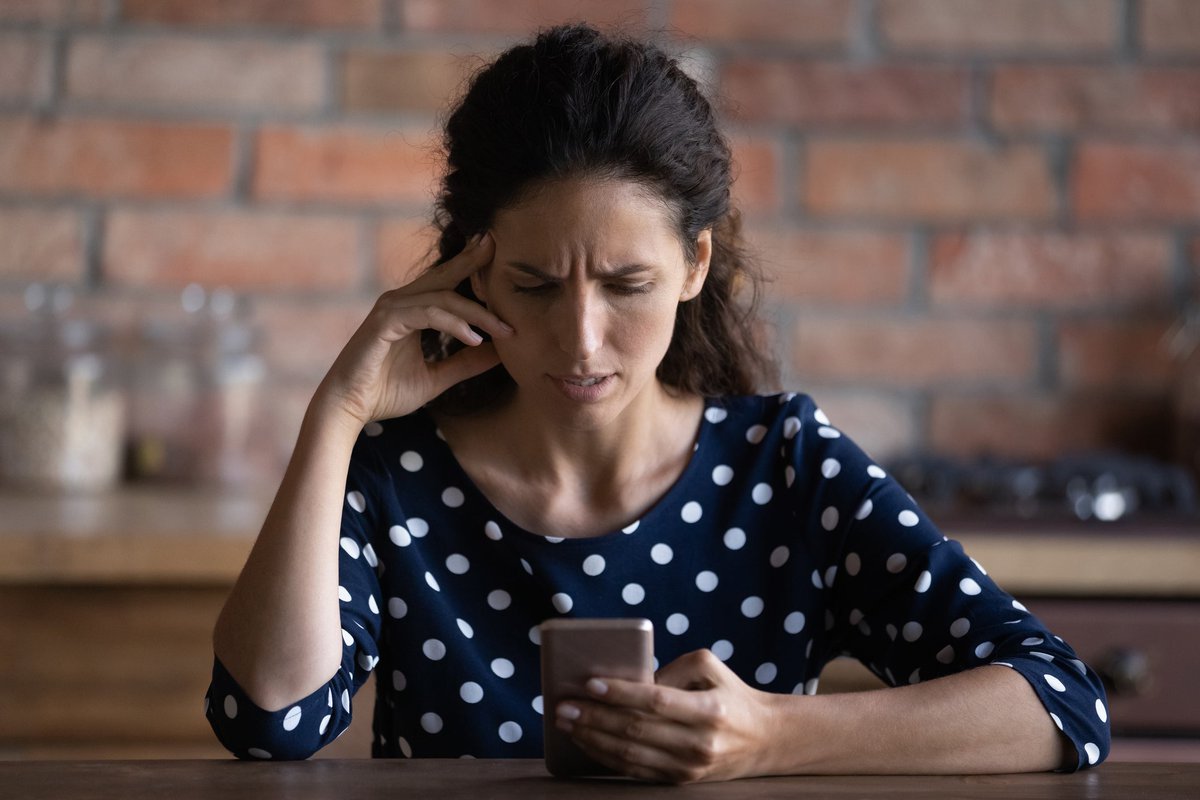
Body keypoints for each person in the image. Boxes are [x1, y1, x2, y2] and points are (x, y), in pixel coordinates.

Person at [206, 23, 1110, 782]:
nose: (582, 339)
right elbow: (270, 720)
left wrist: (774, 737)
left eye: (627, 284)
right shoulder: (393, 475)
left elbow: (1060, 703)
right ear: (470, 271)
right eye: (533, 284)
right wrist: (339, 411)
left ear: (694, 266)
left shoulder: (785, 465)